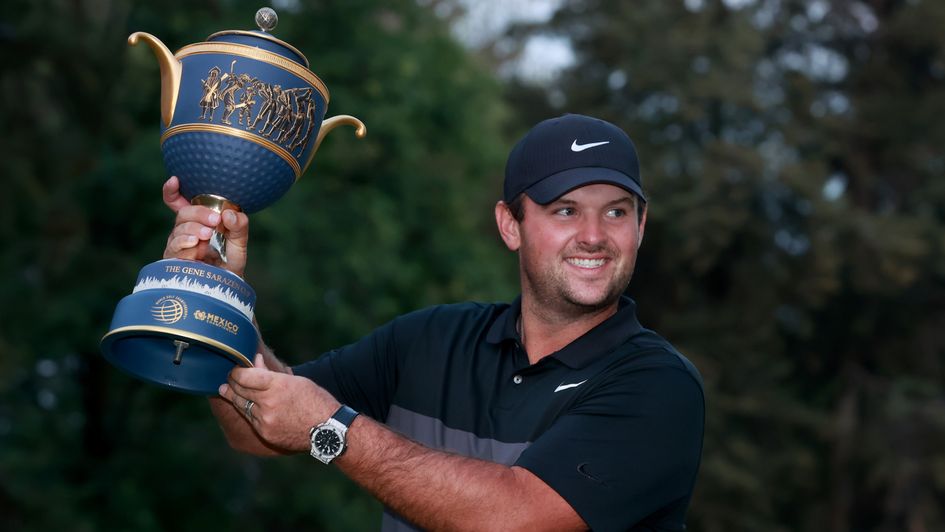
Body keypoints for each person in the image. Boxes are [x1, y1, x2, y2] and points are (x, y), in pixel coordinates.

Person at [162, 113, 705, 531]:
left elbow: (511, 519)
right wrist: (218, 297)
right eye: (565, 210)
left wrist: (331, 429)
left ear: (640, 225)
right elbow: (258, 427)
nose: (593, 234)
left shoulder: (658, 387)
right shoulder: (430, 340)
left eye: (616, 210)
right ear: (509, 225)